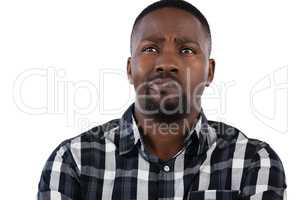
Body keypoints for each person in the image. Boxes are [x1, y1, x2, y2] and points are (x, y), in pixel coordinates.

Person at [37, 0, 286, 199]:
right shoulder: (74, 161)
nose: (166, 63)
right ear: (129, 69)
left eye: (186, 50)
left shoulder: (253, 162)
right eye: (150, 49)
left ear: (209, 71)